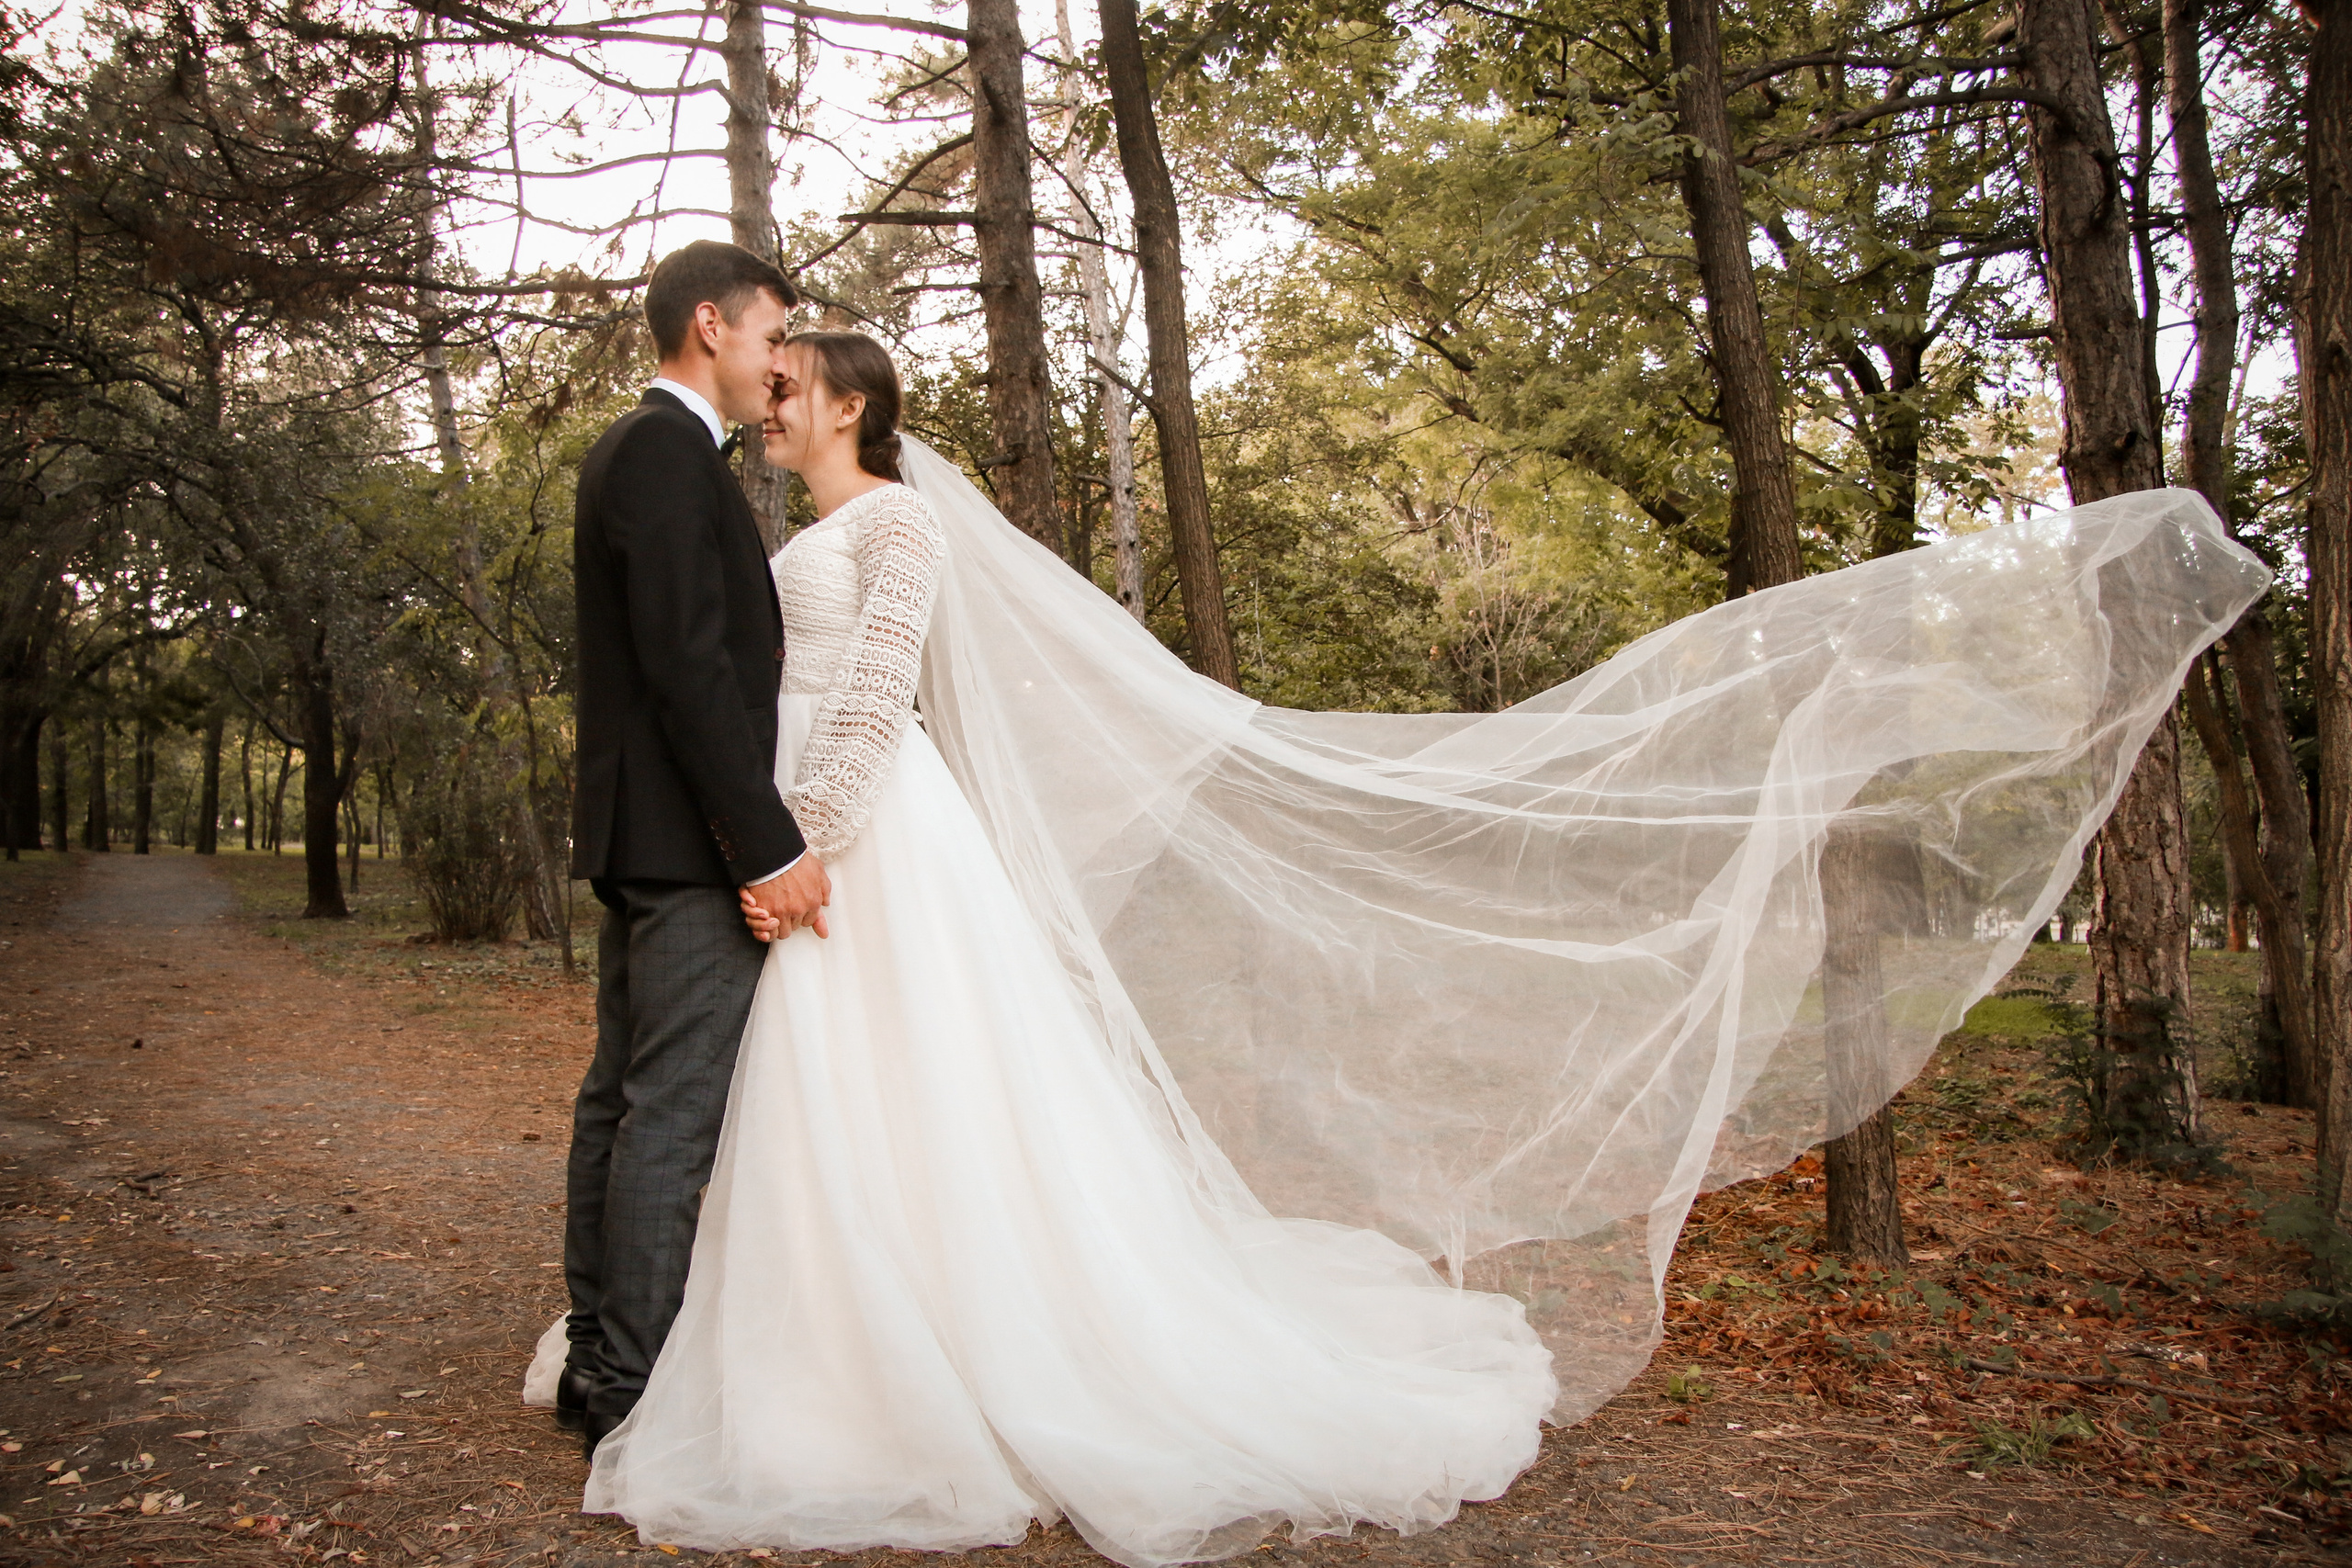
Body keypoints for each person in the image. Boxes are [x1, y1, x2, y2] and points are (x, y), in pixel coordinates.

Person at [538, 327, 2268, 1567]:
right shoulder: (788, 525)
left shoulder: (895, 522)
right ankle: (804, 1328)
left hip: (862, 843)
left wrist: (808, 848)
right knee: (832, 1111)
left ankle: (938, 1346)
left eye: (787, 381)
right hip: (799, 845)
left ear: (841, 397)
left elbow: (877, 696)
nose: (767, 401)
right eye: (759, 375)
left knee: (919, 1103)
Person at [561, 240, 832, 1458]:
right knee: (666, 1116)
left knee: (619, 1103)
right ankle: (631, 1391)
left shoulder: (649, 452)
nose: (778, 362)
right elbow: (688, 669)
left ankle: (595, 1366)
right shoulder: (667, 454)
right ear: (711, 325)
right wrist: (764, 846)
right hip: (685, 843)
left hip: (644, 833)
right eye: (773, 335)